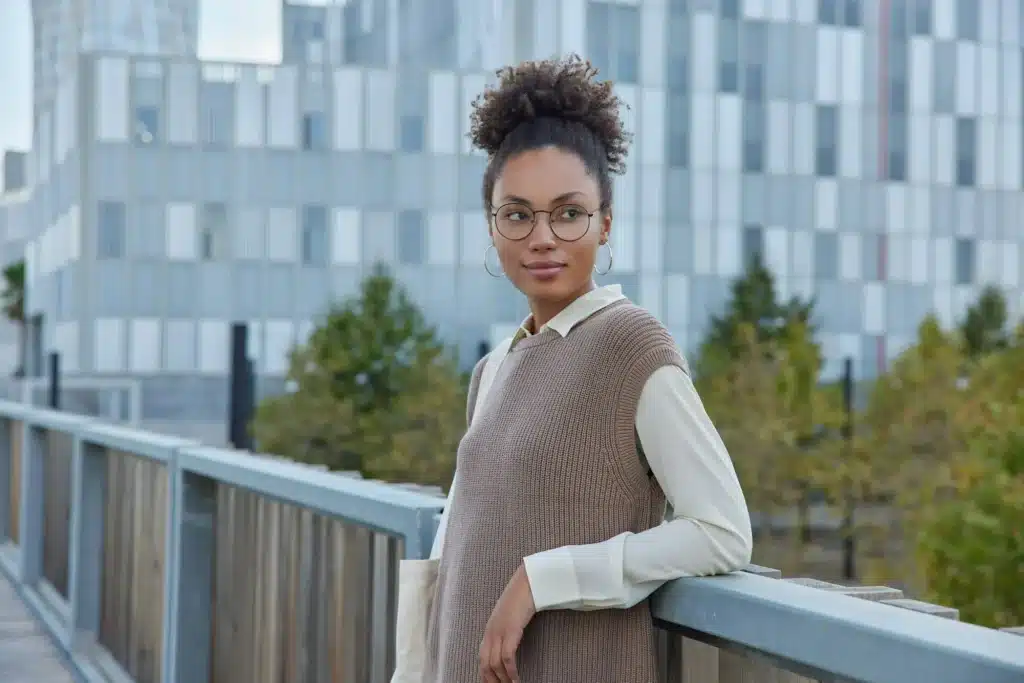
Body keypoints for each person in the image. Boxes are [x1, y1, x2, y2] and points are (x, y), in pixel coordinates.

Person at [424, 55, 752, 683]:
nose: (541, 237)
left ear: (605, 223)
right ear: (493, 229)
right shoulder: (494, 369)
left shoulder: (631, 345)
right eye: (517, 214)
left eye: (568, 213)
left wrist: (542, 578)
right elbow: (455, 562)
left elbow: (721, 532)